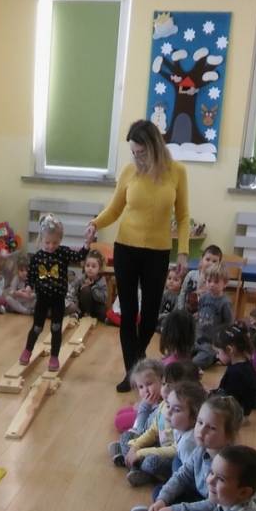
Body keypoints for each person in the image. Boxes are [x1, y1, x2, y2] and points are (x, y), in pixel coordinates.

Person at [85, 119, 190, 392]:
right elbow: (114, 209)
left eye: (141, 152)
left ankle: (137, 362)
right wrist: (95, 223)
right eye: (133, 152)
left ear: (154, 147)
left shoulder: (177, 172)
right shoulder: (129, 172)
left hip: (158, 252)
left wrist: (183, 251)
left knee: (150, 313)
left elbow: (183, 216)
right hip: (126, 249)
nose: (137, 157)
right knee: (129, 311)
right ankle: (132, 372)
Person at [131, 395, 243, 511]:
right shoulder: (201, 449)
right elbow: (182, 476)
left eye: (212, 428)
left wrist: (175, 510)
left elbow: (214, 504)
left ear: (229, 436)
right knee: (159, 491)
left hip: (217, 510)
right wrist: (162, 500)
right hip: (200, 497)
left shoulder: (228, 465)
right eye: (200, 422)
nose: (201, 431)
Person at [20, 213, 94, 372]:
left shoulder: (63, 252)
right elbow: (31, 277)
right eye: (47, 242)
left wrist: (87, 242)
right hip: (42, 299)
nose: (51, 246)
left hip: (58, 299)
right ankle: (27, 350)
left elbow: (79, 256)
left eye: (55, 242)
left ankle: (54, 357)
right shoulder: (37, 257)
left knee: (56, 327)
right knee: (37, 327)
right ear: (41, 239)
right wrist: (28, 287)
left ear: (60, 240)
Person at [123, 361, 203, 487]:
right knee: (127, 438)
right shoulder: (164, 405)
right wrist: (135, 447)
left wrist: (140, 453)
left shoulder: (184, 419)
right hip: (160, 446)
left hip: (171, 456)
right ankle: (135, 467)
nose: (164, 388)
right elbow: (152, 431)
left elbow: (175, 450)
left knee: (151, 462)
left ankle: (138, 468)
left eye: (170, 385)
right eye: (164, 383)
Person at [108, 358, 164, 465]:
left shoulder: (166, 403)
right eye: (141, 387)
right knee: (127, 436)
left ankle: (127, 458)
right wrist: (145, 405)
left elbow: (144, 431)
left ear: (162, 380)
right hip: (144, 439)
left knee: (151, 462)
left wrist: (146, 406)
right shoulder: (146, 404)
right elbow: (138, 429)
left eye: (149, 384)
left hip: (157, 442)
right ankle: (131, 462)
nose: (145, 390)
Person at [211, 323, 256, 416]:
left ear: (229, 350)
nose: (217, 356)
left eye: (218, 352)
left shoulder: (236, 373)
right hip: (240, 410)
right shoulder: (244, 364)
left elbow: (227, 401)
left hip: (235, 415)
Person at [191, 263, 233, 369]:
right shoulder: (204, 297)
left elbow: (229, 323)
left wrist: (217, 332)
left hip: (211, 343)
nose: (211, 284)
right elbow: (201, 312)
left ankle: (215, 356)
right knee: (181, 354)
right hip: (197, 338)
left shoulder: (225, 303)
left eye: (216, 282)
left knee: (196, 363)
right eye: (209, 281)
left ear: (225, 283)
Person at [166, 379, 208, 472]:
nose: (168, 412)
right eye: (168, 406)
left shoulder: (187, 443)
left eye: (177, 410)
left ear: (194, 417)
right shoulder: (179, 428)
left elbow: (191, 474)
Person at [177, 243, 223, 313]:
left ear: (219, 264)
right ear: (202, 259)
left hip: (205, 314)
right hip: (187, 312)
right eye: (207, 259)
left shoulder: (216, 282)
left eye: (214, 261)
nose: (210, 263)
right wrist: (180, 310)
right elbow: (182, 293)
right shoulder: (191, 275)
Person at [65, 248, 108, 321]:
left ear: (99, 269)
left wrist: (93, 287)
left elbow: (103, 299)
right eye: (87, 265)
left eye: (93, 266)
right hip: (83, 306)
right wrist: (80, 289)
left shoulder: (102, 280)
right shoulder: (82, 278)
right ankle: (85, 313)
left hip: (96, 305)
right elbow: (73, 290)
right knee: (85, 290)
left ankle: (92, 315)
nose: (90, 268)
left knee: (102, 314)